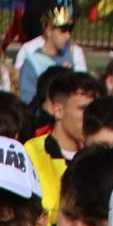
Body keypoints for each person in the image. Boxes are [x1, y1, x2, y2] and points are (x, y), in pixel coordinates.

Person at [26, 70, 98, 212]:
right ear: (58, 110)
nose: (90, 116)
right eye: (83, 109)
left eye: (93, 109)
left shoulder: (98, 155)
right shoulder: (33, 152)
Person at [15, 6, 85, 106]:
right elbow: (28, 99)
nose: (68, 36)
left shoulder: (73, 54)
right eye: (63, 30)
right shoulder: (33, 61)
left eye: (70, 30)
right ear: (48, 31)